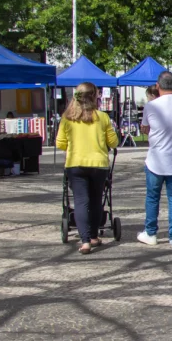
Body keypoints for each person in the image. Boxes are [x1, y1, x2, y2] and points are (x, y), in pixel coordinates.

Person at [55, 82, 118, 255]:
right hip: (98, 165)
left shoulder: (67, 118)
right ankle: (94, 236)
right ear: (94, 96)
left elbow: (60, 143)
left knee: (81, 201)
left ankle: (84, 242)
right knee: (97, 200)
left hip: (75, 164)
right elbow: (113, 142)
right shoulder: (102, 117)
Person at [138, 71, 172, 250]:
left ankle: (151, 232)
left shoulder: (151, 106)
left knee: (152, 197)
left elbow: (145, 128)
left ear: (157, 86)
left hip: (156, 159)